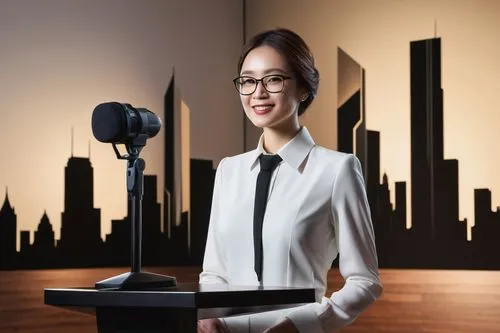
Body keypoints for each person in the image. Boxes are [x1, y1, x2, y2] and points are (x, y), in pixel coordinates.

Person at [198, 27, 382, 333]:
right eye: (248, 80)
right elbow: (214, 272)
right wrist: (208, 317)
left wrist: (302, 325)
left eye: (273, 79)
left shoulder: (337, 170)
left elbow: (365, 281)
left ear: (303, 88)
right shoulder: (229, 171)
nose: (258, 92)